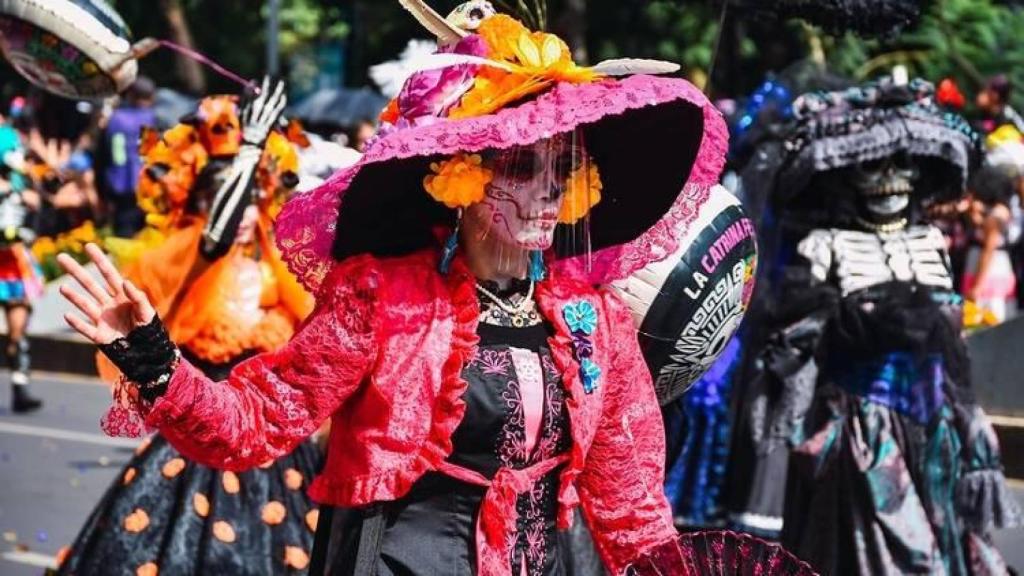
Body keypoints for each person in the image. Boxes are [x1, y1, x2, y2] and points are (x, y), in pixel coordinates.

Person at [53, 6, 817, 576]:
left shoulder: (594, 323)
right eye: (524, 168)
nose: (550, 193)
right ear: (466, 178)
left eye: (562, 171)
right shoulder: (384, 299)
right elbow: (258, 422)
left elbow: (630, 503)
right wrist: (153, 358)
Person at [730, 78, 1021, 575]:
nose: (889, 179)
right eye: (873, 165)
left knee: (942, 538)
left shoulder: (929, 240)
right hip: (863, 431)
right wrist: (847, 322)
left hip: (934, 422)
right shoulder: (826, 245)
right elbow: (796, 337)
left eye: (901, 166)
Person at [54, 86, 322, 576]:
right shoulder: (188, 259)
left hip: (275, 444)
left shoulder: (281, 266)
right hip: (200, 431)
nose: (240, 212)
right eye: (223, 197)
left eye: (249, 199)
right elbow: (216, 239)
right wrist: (250, 146)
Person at [0, 118, 44, 413]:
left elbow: (36, 211)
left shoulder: (23, 188)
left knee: (19, 329)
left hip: (13, 263)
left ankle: (20, 388)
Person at [99, 76, 157, 237]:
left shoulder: (116, 119)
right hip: (147, 184)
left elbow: (105, 156)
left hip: (120, 186)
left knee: (124, 234)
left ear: (130, 95)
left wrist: (103, 191)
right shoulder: (153, 119)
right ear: (152, 97)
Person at [962, 164, 1018, 322]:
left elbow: (988, 250)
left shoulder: (996, 215)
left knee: (989, 316)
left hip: (988, 272)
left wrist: (977, 286)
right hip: (991, 268)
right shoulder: (997, 210)